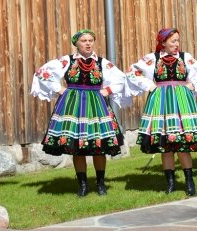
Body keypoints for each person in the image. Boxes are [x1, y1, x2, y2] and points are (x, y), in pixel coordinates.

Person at [31, 29, 128, 196]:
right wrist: (59, 89)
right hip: (72, 105)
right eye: (84, 40)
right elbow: (42, 73)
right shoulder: (66, 61)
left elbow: (121, 78)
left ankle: (100, 183)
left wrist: (107, 90)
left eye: (91, 40)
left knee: (99, 146)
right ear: (76, 43)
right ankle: (82, 184)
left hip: (97, 106)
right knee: (77, 146)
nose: (88, 43)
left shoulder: (101, 62)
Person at [126, 28, 197, 196]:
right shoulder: (153, 58)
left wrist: (192, 85)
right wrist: (149, 86)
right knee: (166, 145)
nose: (177, 44)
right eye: (173, 41)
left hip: (182, 102)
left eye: (178, 40)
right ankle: (170, 182)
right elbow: (132, 71)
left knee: (183, 144)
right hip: (161, 102)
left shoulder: (186, 57)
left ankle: (189, 181)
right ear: (163, 43)